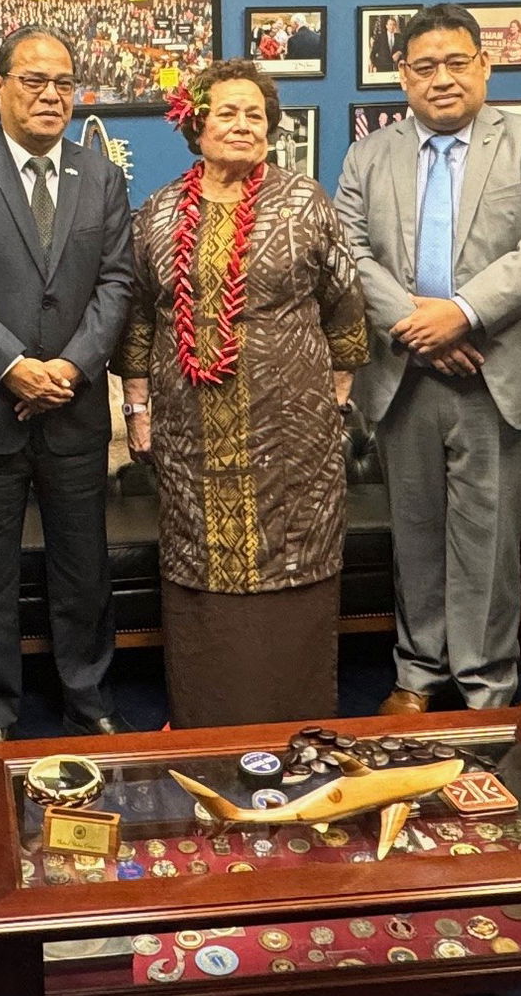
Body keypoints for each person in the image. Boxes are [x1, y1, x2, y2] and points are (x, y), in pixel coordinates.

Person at [335, 2, 521, 714]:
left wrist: (462, 313)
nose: (442, 79)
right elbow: (349, 251)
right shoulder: (368, 153)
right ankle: (417, 675)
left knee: (489, 536)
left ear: (485, 64)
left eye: (456, 62)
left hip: (500, 368)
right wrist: (420, 326)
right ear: (401, 77)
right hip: (407, 371)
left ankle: (485, 688)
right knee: (413, 531)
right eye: (424, 67)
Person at [115, 61, 368, 727]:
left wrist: (336, 394)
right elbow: (140, 315)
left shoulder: (304, 201)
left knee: (296, 553)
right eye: (227, 111)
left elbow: (346, 306)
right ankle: (206, 717)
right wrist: (136, 409)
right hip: (188, 429)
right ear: (195, 123)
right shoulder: (160, 210)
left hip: (293, 433)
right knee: (198, 555)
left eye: (255, 114)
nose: (242, 124)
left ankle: (297, 717)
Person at [0, 26, 133, 743]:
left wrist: (70, 367)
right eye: (34, 81)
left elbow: (115, 283)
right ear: (0, 87)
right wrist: (14, 365)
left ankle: (88, 697)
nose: (51, 96)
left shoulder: (100, 174)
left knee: (83, 567)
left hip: (73, 410)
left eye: (64, 83)